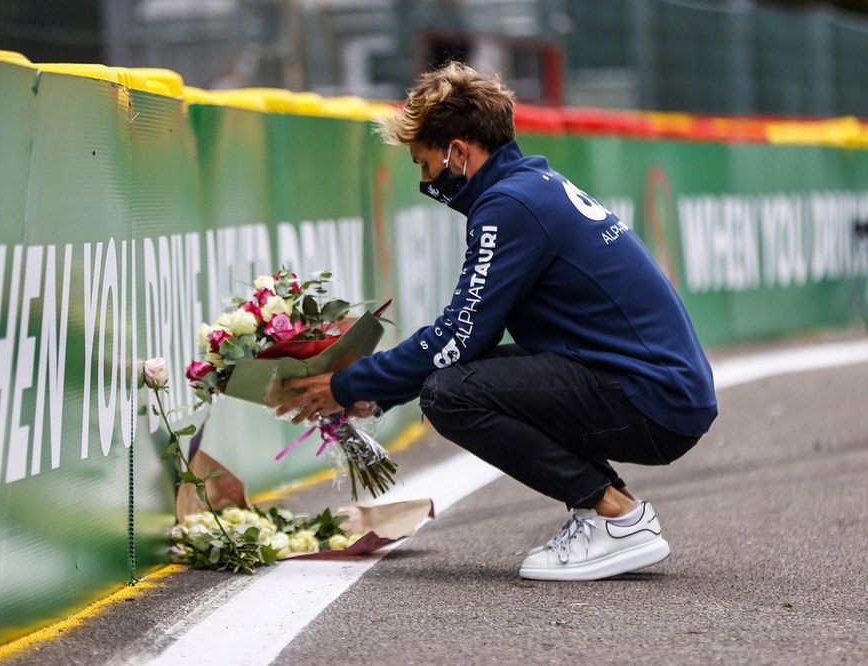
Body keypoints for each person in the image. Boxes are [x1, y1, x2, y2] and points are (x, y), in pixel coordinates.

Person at [277, 62, 717, 581]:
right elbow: (474, 341)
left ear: (458, 153)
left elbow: (459, 336)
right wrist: (380, 393)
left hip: (655, 399)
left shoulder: (509, 205)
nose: (424, 182)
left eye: (424, 165)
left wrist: (347, 382)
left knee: (451, 392)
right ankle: (608, 511)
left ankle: (612, 516)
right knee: (466, 380)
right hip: (659, 389)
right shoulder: (530, 187)